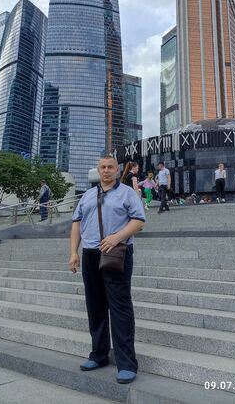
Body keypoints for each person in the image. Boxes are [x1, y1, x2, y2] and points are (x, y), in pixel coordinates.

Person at [69, 156, 146, 385]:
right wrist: (73, 252)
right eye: (102, 167)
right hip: (91, 254)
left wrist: (116, 237)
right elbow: (76, 223)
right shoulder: (87, 195)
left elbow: (139, 221)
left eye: (110, 167)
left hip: (116, 251)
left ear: (117, 170)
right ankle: (99, 354)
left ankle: (127, 363)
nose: (106, 170)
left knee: (120, 307)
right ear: (98, 170)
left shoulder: (127, 193)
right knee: (95, 306)